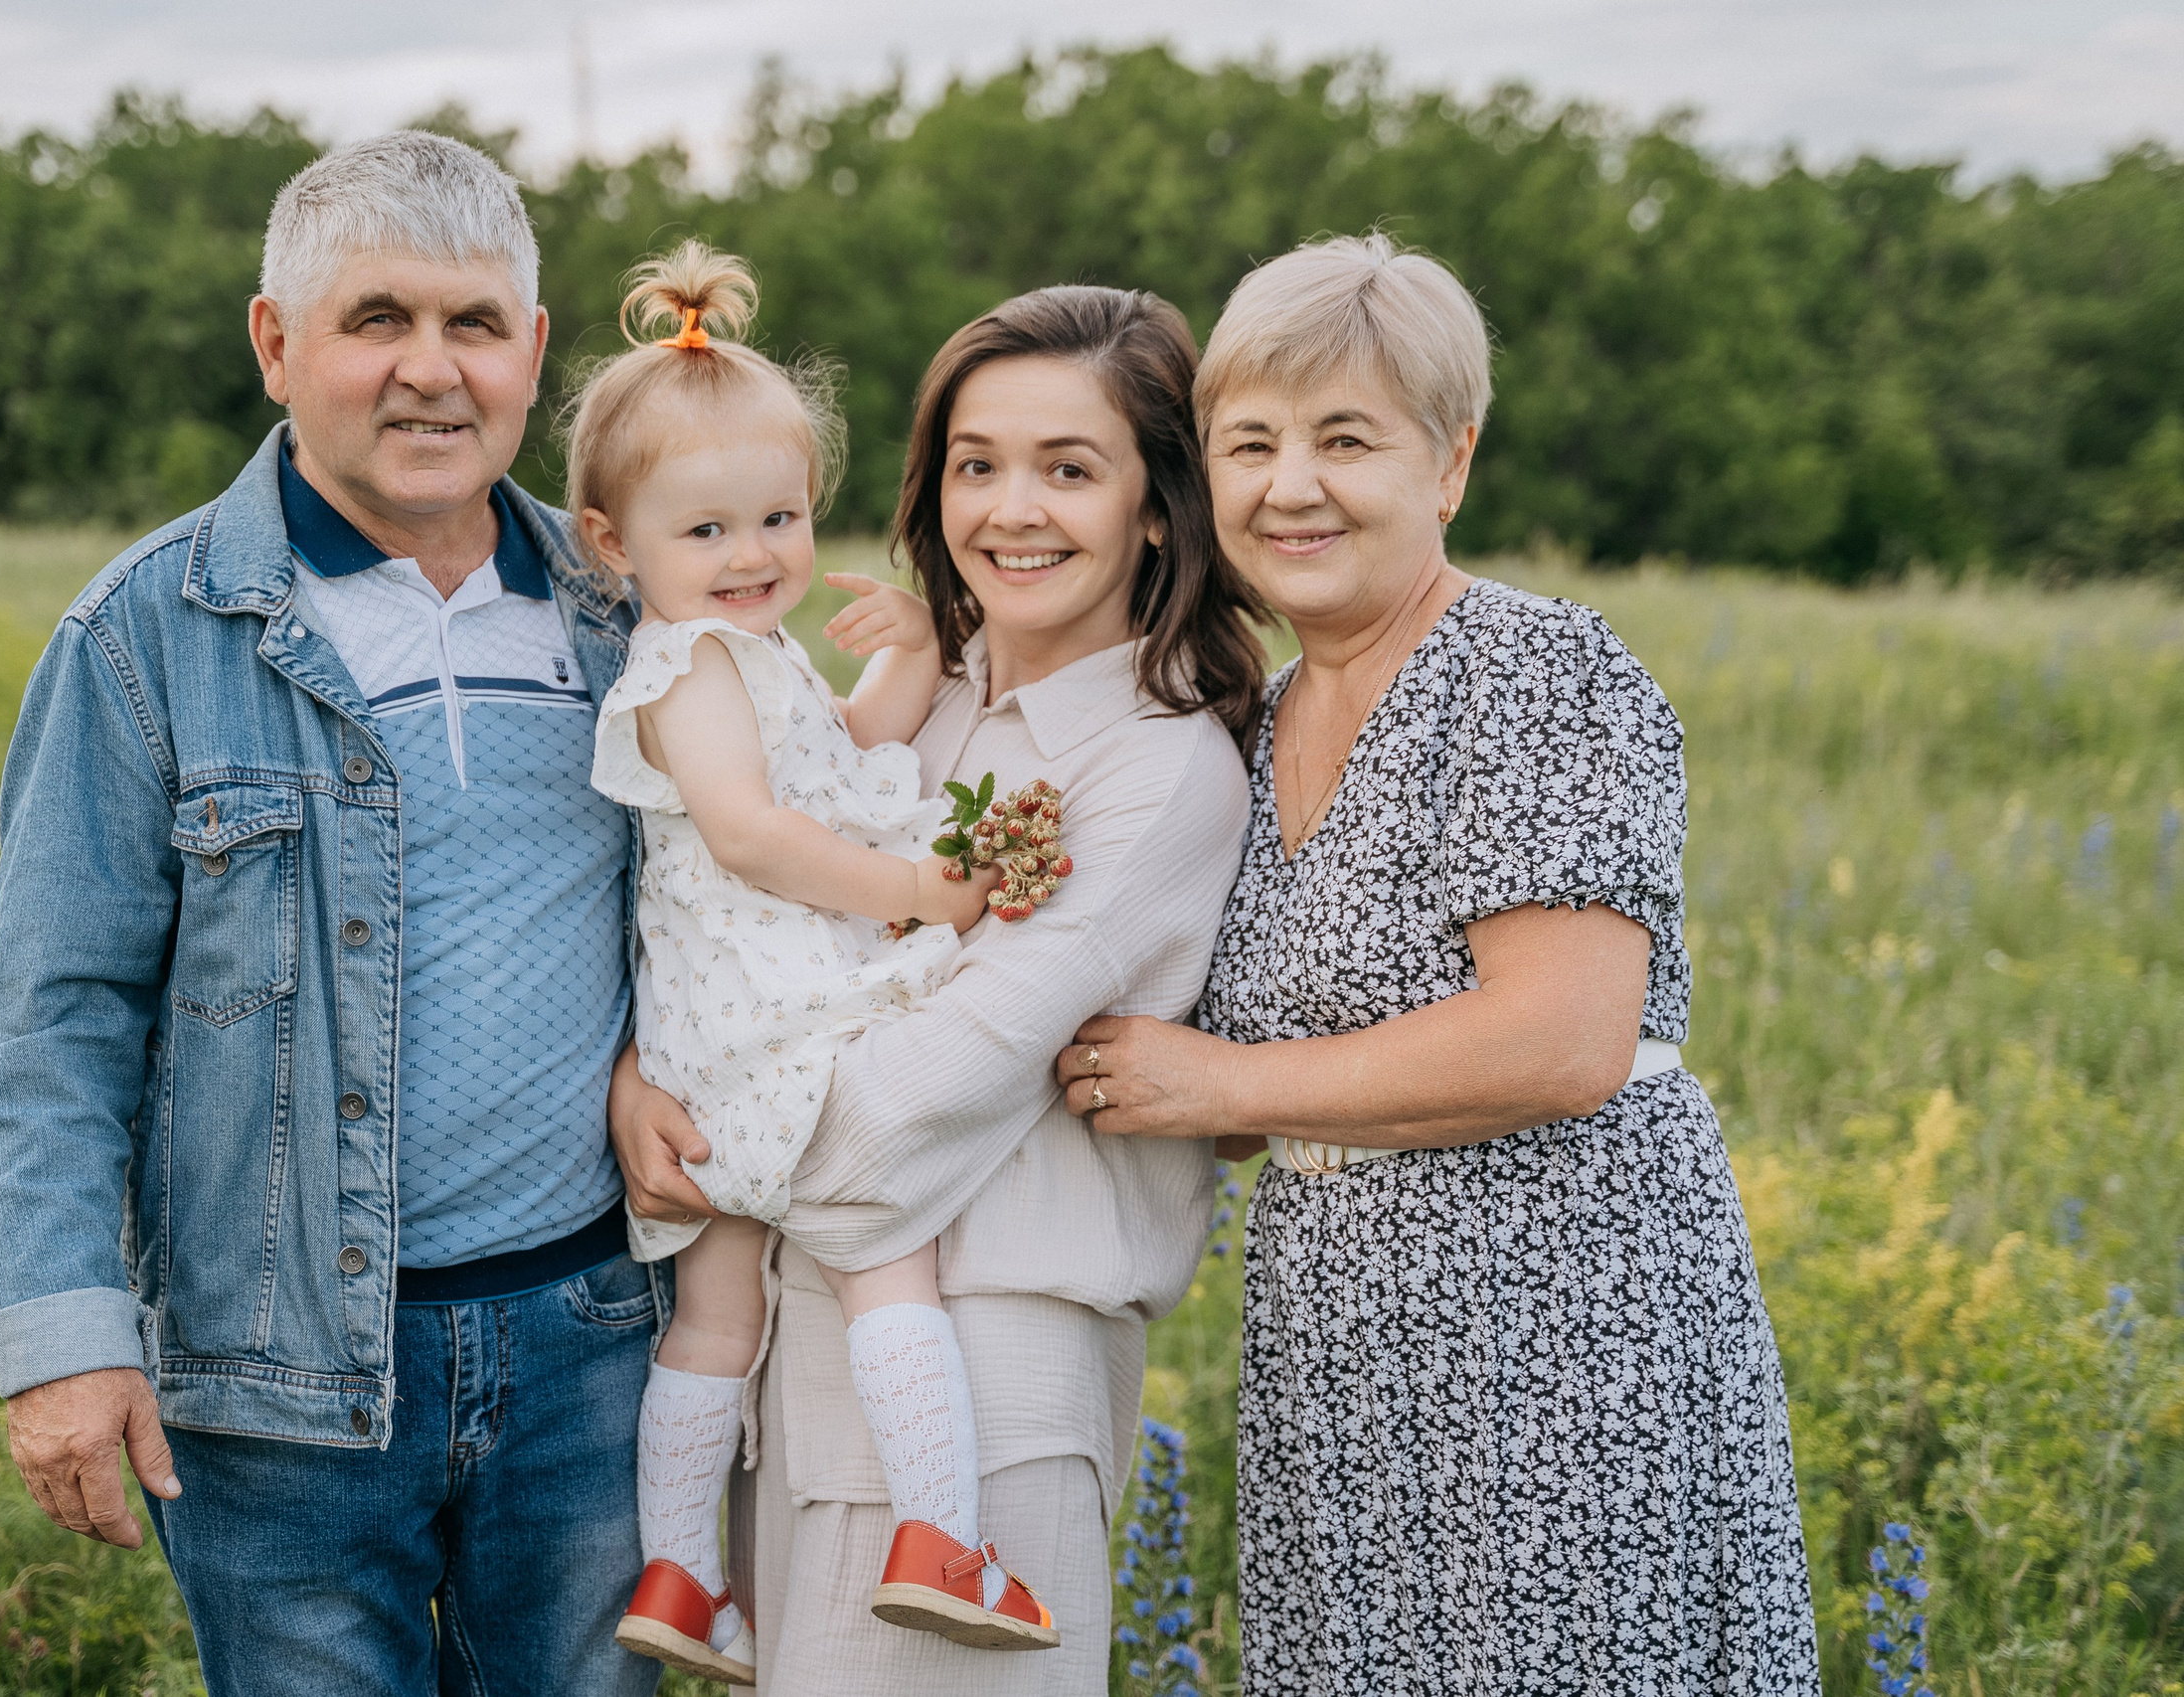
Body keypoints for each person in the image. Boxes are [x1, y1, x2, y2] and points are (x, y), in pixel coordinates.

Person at [1055, 235, 1821, 1693]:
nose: (1292, 485)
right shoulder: (1253, 721)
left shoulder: (1533, 669)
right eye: (1252, 442)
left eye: (1348, 439)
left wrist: (1221, 1077)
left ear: (1451, 463)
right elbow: (1213, 1094)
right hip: (1344, 1342)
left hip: (1556, 1319)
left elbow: (1563, 1039)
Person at [0, 130, 664, 1695]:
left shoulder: (626, 619)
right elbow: (54, 1017)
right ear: (277, 344)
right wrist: (65, 1334)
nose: (431, 371)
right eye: (376, 320)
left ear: (534, 355)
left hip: (593, 1346)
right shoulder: (150, 630)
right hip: (273, 1382)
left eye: (475, 324)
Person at [609, 283, 1266, 1695]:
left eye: (1070, 469)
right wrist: (640, 1087)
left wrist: (715, 1138)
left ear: (1160, 508)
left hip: (990, 1368)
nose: (1011, 509)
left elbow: (911, 1104)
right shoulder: (927, 700)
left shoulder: (1155, 772)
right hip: (815, 1346)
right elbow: (729, 924)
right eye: (979, 464)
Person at [574, 241, 1063, 1686]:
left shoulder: (748, 657)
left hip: (714, 1050)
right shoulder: (687, 666)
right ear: (615, 546)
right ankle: (941, 1536)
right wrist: (928, 893)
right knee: (887, 1256)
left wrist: (907, 654)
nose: (753, 556)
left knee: (720, 1309)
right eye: (708, 530)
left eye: (778, 517)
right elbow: (759, 835)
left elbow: (841, 762)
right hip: (780, 1025)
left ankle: (680, 1572)